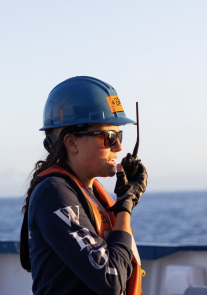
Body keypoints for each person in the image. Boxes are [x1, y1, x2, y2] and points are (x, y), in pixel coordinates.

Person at [20, 76, 147, 295]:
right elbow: (111, 281)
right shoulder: (54, 194)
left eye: (120, 135)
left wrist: (125, 200)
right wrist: (125, 206)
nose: (118, 146)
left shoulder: (88, 192)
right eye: (109, 136)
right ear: (71, 143)